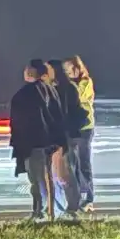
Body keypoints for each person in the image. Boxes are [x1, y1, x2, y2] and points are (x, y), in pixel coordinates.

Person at [10, 59, 69, 221]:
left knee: (36, 179)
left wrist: (19, 144)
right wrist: (60, 141)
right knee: (48, 176)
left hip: (32, 142)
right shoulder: (51, 91)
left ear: (30, 73)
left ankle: (40, 212)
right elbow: (58, 117)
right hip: (50, 141)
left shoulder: (23, 95)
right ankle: (51, 212)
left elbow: (19, 122)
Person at [46, 59, 82, 216]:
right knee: (62, 171)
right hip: (67, 134)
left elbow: (63, 113)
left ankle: (72, 204)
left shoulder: (60, 90)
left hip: (63, 135)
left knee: (62, 172)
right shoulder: (68, 88)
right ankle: (70, 203)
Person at [64, 56, 96, 211]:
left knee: (84, 162)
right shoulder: (68, 85)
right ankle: (78, 196)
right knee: (73, 164)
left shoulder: (86, 82)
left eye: (70, 69)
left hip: (85, 127)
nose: (68, 72)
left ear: (77, 68)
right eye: (66, 70)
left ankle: (88, 197)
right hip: (72, 127)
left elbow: (78, 97)